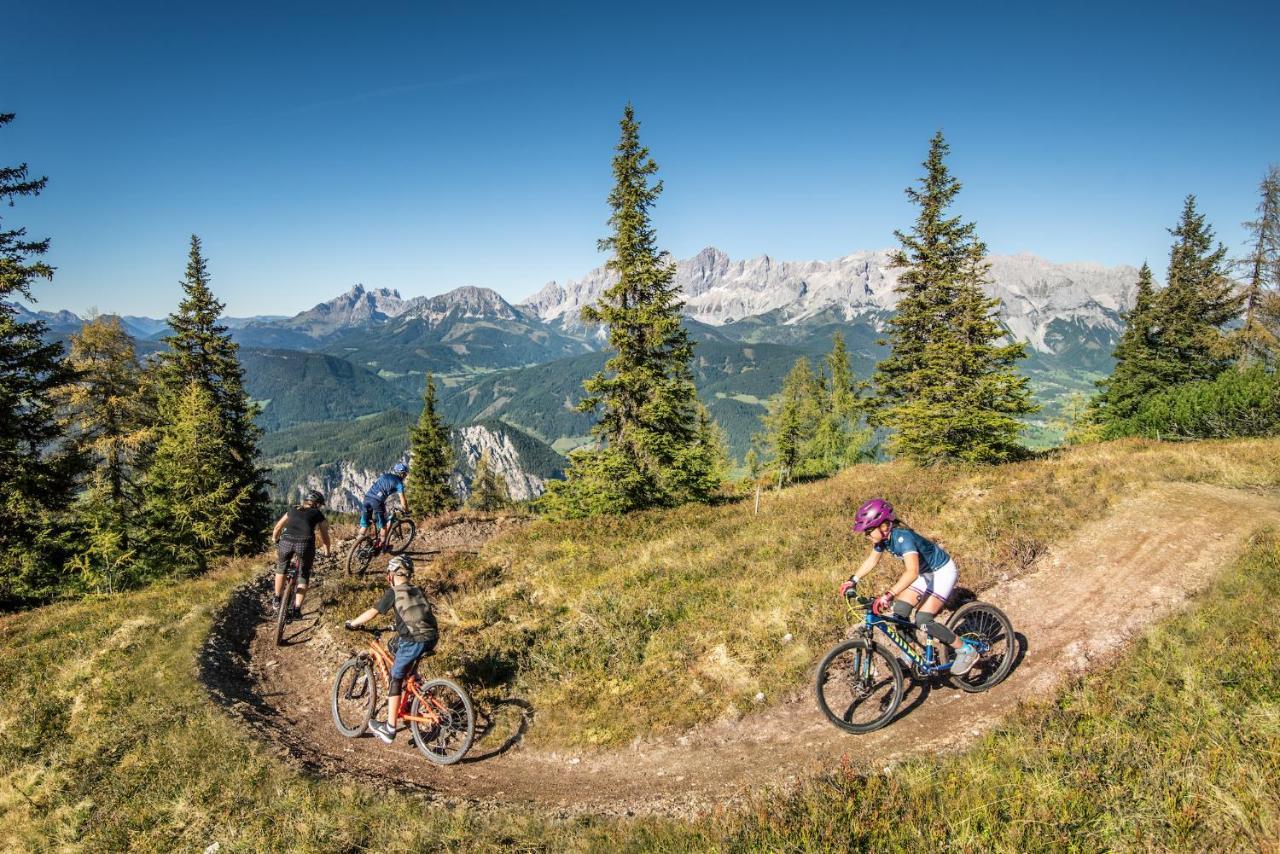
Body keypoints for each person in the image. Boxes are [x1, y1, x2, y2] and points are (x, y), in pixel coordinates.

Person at [840, 498, 979, 676]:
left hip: (942, 572)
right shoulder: (883, 539)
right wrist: (853, 580)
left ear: (884, 525)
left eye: (868, 531)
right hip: (925, 574)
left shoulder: (903, 538)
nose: (867, 536)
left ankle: (966, 650)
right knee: (900, 611)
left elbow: (911, 572)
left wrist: (888, 595)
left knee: (923, 619)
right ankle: (911, 655)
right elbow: (872, 560)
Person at [344, 555, 439, 743]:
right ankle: (413, 687)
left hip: (414, 640)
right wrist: (398, 626)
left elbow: (373, 612)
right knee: (394, 645)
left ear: (392, 574)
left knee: (395, 677)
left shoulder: (394, 592)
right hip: (431, 637)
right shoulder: (416, 589)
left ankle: (389, 728)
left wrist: (353, 623)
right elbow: (414, 613)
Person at [270, 490, 333, 618]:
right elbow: (325, 536)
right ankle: (297, 609)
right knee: (303, 575)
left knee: (281, 568)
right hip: (305, 544)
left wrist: (275, 539)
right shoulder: (318, 514)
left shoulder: (292, 510)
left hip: (286, 541)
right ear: (317, 504)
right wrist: (327, 551)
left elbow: (278, 527)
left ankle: (277, 598)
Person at [358, 462, 410, 545]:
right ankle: (381, 546)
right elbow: (403, 499)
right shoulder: (399, 484)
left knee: (365, 525)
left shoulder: (385, 475)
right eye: (405, 474)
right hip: (377, 502)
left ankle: (357, 545)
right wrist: (406, 510)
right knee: (383, 526)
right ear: (402, 474)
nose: (405, 476)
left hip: (367, 498)